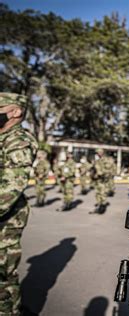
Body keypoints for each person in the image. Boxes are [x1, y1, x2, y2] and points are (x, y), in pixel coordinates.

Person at [0, 92, 38, 315]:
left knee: (2, 280)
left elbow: (11, 187)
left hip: (6, 220)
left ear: (15, 112)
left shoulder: (19, 141)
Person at [90, 149, 109, 214]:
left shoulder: (106, 160)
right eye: (97, 153)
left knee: (102, 194)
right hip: (97, 180)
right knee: (97, 194)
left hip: (103, 180)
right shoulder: (97, 161)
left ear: (102, 152)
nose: (98, 154)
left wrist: (100, 172)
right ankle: (98, 207)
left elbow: (107, 170)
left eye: (99, 152)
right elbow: (93, 169)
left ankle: (102, 208)